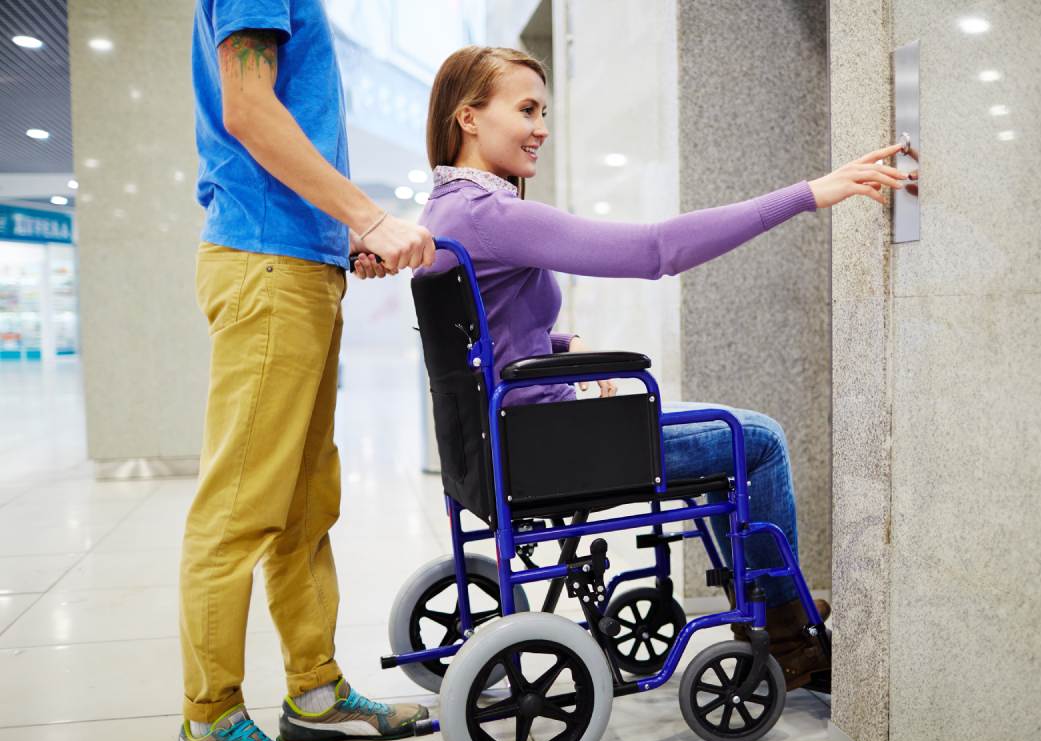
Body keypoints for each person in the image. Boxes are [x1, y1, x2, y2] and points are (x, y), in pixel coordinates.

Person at [354, 45, 909, 692]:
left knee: (715, 432)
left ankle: (773, 611)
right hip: (548, 449)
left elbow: (484, 339)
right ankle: (790, 637)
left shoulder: (445, 212)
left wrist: (559, 347)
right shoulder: (492, 216)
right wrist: (809, 194)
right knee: (752, 439)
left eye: (544, 110)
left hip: (504, 442)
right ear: (469, 117)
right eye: (527, 109)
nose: (542, 127)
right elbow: (657, 251)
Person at [177, 1, 436, 741]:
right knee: (240, 507)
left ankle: (315, 691)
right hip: (267, 264)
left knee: (303, 502)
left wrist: (342, 233)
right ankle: (209, 720)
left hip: (300, 264)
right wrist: (366, 213)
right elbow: (249, 109)